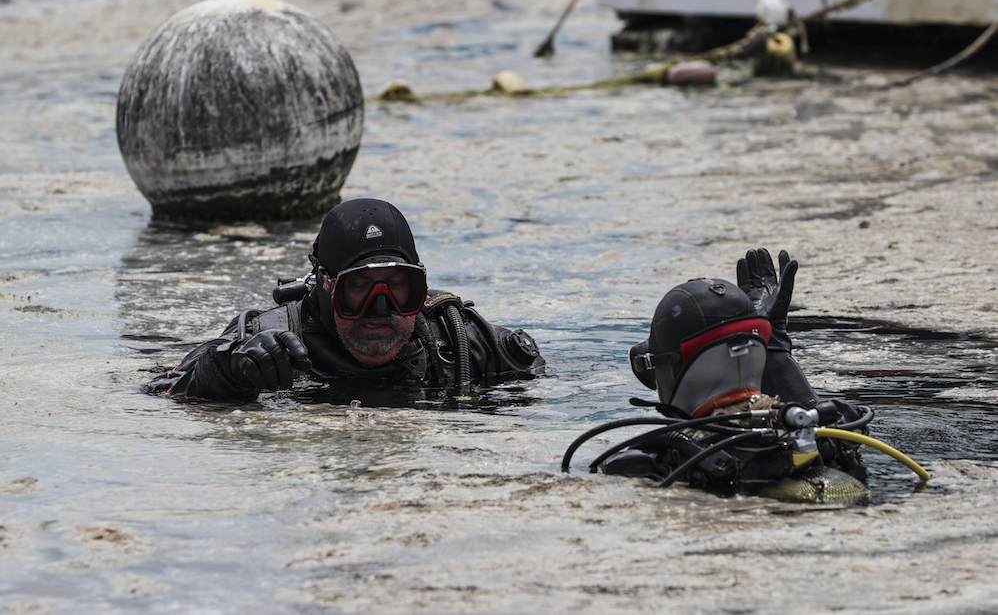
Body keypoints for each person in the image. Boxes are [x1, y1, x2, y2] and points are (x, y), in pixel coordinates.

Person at [144, 198, 545, 403]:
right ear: (325, 287)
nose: (381, 308)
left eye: (396, 286)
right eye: (360, 286)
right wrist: (230, 370)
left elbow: (553, 388)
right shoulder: (263, 340)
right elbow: (162, 392)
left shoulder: (455, 340)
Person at [563, 248, 874, 501]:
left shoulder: (646, 464)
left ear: (663, 367)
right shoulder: (834, 431)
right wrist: (777, 356)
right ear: (759, 346)